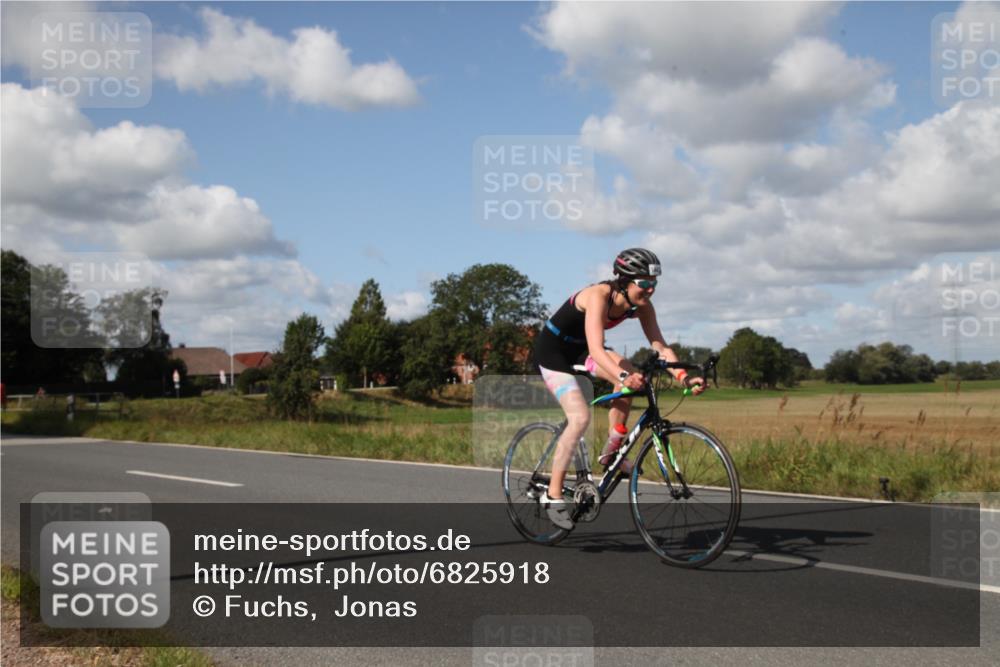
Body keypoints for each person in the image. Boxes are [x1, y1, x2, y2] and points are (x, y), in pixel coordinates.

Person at [531, 248, 706, 529]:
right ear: (624, 280)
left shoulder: (642, 305)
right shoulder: (598, 295)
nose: (650, 290)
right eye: (645, 283)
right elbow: (597, 350)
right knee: (580, 418)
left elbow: (661, 347)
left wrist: (683, 377)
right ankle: (552, 495)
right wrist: (623, 375)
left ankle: (611, 452)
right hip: (553, 352)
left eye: (654, 284)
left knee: (633, 376)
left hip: (581, 350)